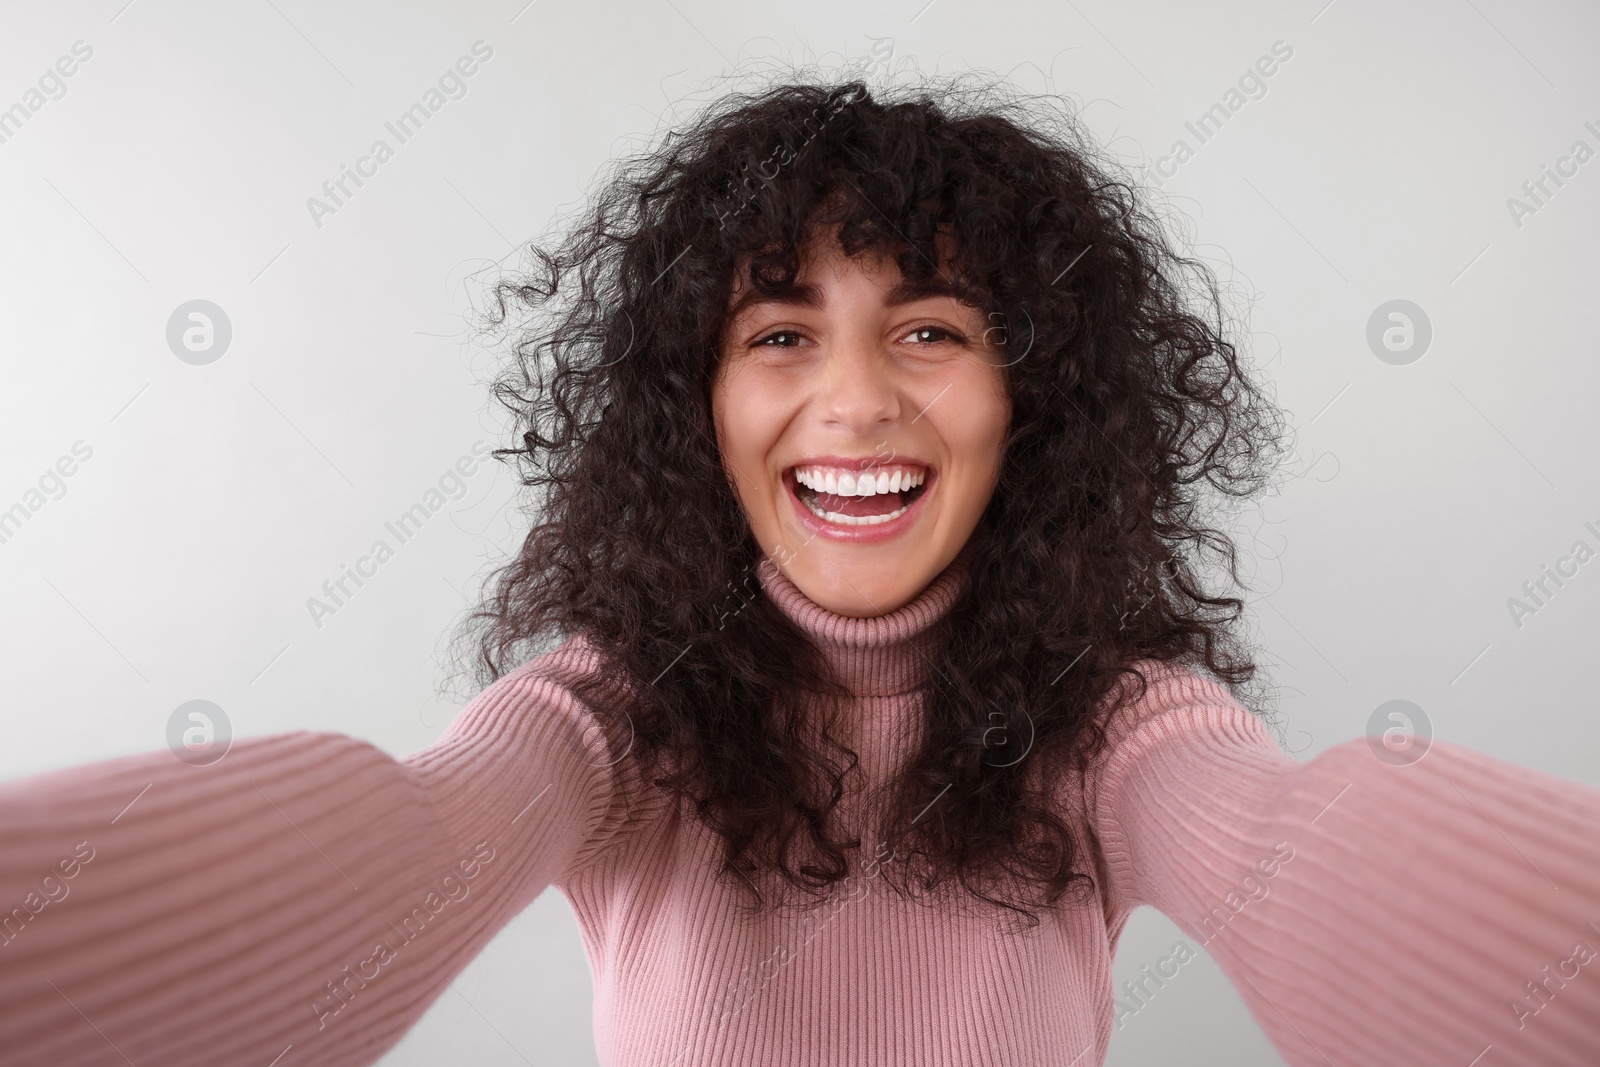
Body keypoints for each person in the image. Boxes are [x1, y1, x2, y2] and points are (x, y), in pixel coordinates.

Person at [2, 78, 1597, 1067]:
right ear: (695, 406)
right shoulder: (605, 721)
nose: (854, 401)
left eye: (931, 331)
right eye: (779, 334)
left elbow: (1293, 846)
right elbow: (414, 834)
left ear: (1027, 397)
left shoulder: (1112, 727)